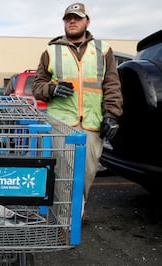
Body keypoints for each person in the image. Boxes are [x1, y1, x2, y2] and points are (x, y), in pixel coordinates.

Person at [31, 3, 123, 219]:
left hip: (92, 123)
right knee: (65, 174)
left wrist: (111, 115)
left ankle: (76, 210)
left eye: (77, 18)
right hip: (62, 123)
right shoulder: (51, 51)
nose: (72, 21)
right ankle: (67, 220)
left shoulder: (103, 50)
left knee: (87, 174)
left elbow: (112, 85)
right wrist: (52, 89)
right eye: (68, 18)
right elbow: (37, 87)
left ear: (86, 21)